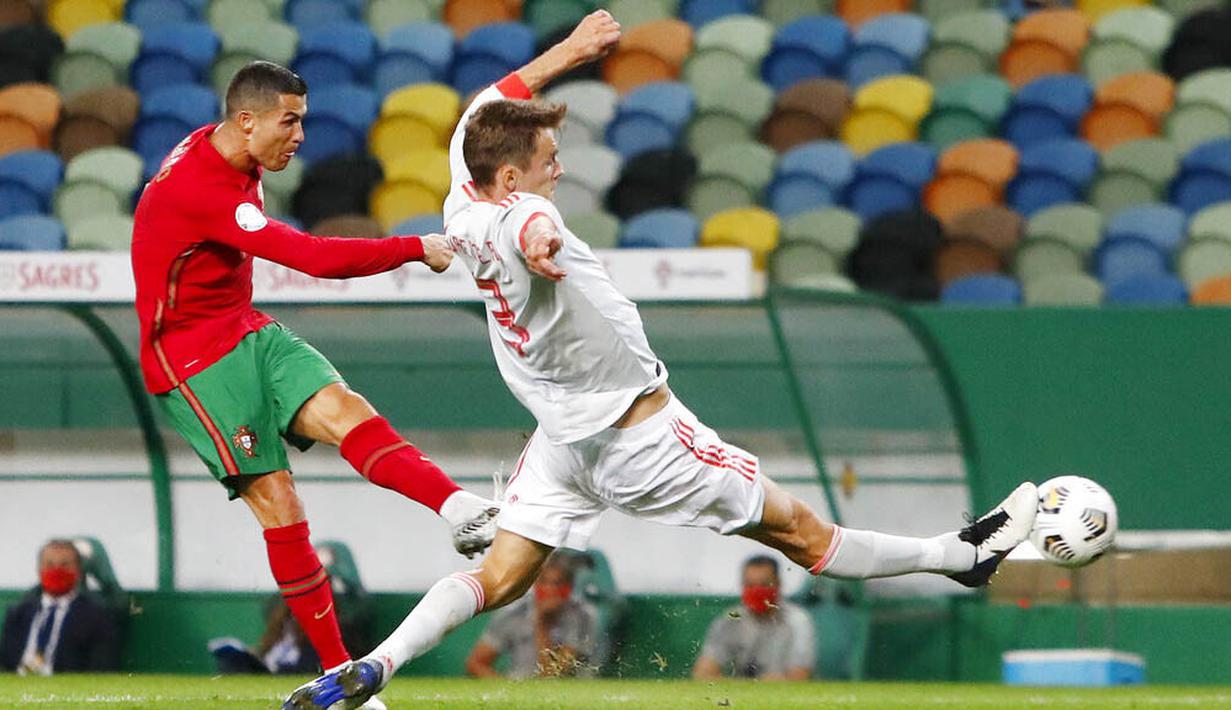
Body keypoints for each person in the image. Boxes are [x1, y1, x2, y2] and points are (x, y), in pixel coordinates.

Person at [284, 12, 1039, 708]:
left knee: (499, 578)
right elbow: (532, 224)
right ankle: (958, 556)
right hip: (641, 440)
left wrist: (569, 53)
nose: (558, 169)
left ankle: (375, 665)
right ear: (510, 179)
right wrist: (542, 244)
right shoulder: (524, 214)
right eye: (548, 159)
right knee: (802, 533)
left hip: (561, 445)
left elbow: (488, 103)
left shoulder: (463, 198)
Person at [130, 60, 500, 698]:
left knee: (347, 410)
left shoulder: (228, 149)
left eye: (302, 120)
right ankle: (342, 678)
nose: (300, 135)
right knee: (282, 504)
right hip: (191, 360)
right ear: (247, 121)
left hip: (245, 328)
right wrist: (413, 247)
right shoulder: (202, 188)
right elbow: (310, 258)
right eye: (289, 121)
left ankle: (459, 508)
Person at [465, 553, 598, 679]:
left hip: (568, 690)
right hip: (520, 683)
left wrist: (542, 623)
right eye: (544, 582)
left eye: (558, 583)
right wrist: (507, 689)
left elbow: (554, 674)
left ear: (569, 587)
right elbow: (476, 663)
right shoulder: (514, 613)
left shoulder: (582, 616)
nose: (550, 589)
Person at [0, 540, 121, 674]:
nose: (56, 570)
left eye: (65, 565)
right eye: (49, 565)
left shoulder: (97, 617)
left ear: (78, 571)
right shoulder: (18, 614)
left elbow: (100, 667)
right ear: (39, 569)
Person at [692, 556, 814, 681]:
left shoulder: (797, 620)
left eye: (764, 584)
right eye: (750, 585)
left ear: (778, 583)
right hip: (740, 691)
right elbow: (703, 671)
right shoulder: (731, 619)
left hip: (778, 691)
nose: (757, 590)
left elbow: (799, 677)